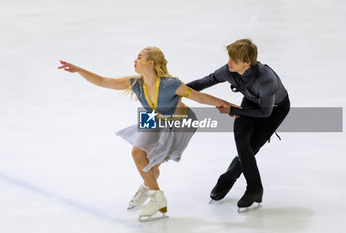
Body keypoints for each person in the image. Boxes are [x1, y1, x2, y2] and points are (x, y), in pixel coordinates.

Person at [58, 46, 239, 220]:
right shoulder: (136, 83)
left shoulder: (171, 84)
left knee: (152, 165)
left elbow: (200, 97)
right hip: (154, 117)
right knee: (138, 153)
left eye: (139, 57)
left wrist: (229, 107)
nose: (135, 60)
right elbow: (103, 81)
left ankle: (148, 187)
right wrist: (79, 70)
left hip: (180, 123)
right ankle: (156, 195)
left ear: (151, 63)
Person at [186, 39, 290, 209]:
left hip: (274, 110)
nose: (229, 63)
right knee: (242, 142)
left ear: (247, 63)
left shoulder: (266, 79)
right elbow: (201, 83)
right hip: (250, 103)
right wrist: (177, 90)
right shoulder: (229, 70)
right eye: (229, 58)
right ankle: (250, 186)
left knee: (252, 147)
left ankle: (240, 183)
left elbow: (265, 112)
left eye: (234, 60)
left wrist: (232, 111)